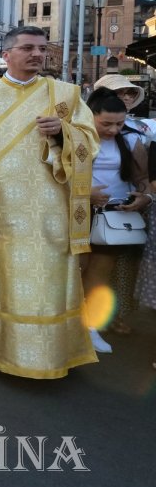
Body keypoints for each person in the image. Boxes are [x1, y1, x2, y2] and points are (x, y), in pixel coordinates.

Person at [0, 25, 98, 379]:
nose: (37, 54)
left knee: (48, 285)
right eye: (28, 48)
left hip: (49, 212)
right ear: (6, 54)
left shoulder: (66, 96)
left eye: (42, 49)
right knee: (0, 281)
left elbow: (89, 142)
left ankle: (50, 354)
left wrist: (63, 133)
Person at [82, 87, 150, 354]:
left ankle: (90, 327)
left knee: (100, 273)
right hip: (78, 212)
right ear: (91, 116)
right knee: (77, 268)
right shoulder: (75, 138)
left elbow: (142, 180)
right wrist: (83, 194)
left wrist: (144, 197)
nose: (113, 129)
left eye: (119, 123)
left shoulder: (132, 141)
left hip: (114, 215)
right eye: (106, 123)